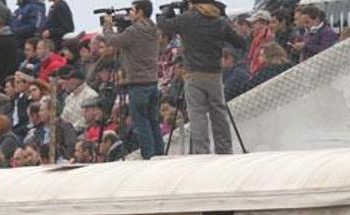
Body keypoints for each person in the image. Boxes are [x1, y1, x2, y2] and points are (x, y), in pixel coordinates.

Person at [157, 0, 245, 155]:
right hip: (215, 75)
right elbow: (240, 43)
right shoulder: (219, 21)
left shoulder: (187, 19)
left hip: (193, 74)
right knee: (218, 112)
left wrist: (167, 10)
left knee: (197, 114)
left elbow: (163, 24)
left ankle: (202, 152)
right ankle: (225, 150)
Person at [102, 0, 163, 159]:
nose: (130, 13)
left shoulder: (134, 31)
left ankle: (149, 156)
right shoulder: (154, 29)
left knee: (141, 123)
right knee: (153, 121)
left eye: (133, 10)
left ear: (141, 12)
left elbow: (112, 41)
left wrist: (108, 25)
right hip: (152, 82)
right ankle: (160, 154)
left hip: (138, 83)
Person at [60, 70, 99, 134]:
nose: (66, 82)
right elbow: (64, 117)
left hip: (82, 132)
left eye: (69, 80)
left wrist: (71, 130)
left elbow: (87, 119)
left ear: (75, 81)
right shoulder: (69, 97)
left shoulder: (90, 95)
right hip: (67, 132)